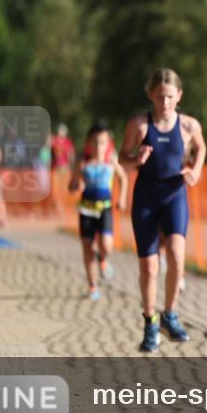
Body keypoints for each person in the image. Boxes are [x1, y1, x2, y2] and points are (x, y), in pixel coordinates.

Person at [120, 68, 206, 353]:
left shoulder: (189, 125)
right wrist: (136, 157)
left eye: (170, 96)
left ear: (179, 95)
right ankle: (150, 323)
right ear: (150, 95)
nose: (165, 102)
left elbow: (201, 148)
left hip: (174, 195)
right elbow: (122, 157)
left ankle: (170, 314)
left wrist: (196, 170)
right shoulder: (139, 125)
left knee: (177, 256)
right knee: (149, 266)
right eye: (159, 97)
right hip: (146, 197)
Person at [69, 121, 128, 301]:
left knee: (106, 245)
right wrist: (76, 185)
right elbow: (72, 184)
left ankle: (103, 258)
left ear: (108, 143)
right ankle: (92, 286)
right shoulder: (83, 161)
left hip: (105, 208)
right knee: (87, 248)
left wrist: (122, 198)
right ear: (88, 142)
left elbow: (123, 178)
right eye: (94, 142)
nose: (98, 146)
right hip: (86, 209)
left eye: (102, 142)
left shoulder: (111, 159)